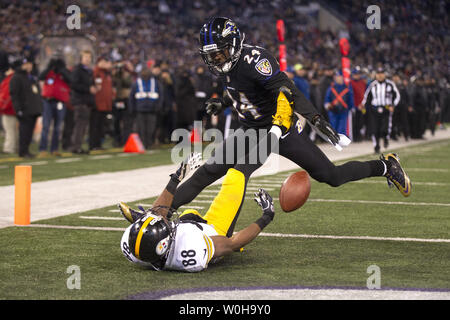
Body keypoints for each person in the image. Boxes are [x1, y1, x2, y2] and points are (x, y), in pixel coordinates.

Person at [170, 16, 411, 223]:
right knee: (209, 172)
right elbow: (244, 88)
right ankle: (160, 212)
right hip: (250, 130)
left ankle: (386, 166)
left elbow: (287, 90)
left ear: (232, 46)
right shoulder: (229, 66)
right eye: (211, 56)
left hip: (278, 129)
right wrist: (223, 101)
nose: (215, 60)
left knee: (332, 176)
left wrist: (315, 118)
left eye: (219, 54)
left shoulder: (255, 60)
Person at [119, 152, 276, 272]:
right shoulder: (190, 250)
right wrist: (266, 216)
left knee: (182, 213)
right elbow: (233, 243)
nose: (164, 217)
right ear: (165, 243)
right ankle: (272, 139)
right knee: (237, 174)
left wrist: (176, 178)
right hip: (215, 230)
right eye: (165, 223)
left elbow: (158, 212)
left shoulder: (132, 247)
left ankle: (144, 219)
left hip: (189, 223)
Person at [9, 57, 43, 158]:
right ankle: (22, 151)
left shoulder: (32, 77)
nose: (29, 66)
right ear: (22, 65)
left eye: (30, 64)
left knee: (29, 132)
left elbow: (37, 93)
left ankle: (26, 150)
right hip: (24, 109)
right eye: (26, 64)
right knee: (24, 132)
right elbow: (14, 94)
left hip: (33, 109)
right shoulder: (17, 77)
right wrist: (18, 109)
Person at [38, 54, 71, 157]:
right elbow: (40, 77)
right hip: (47, 101)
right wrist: (49, 68)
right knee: (46, 126)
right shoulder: (49, 73)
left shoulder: (64, 73)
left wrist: (63, 70)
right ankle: (43, 149)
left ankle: (54, 149)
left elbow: (71, 80)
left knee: (57, 127)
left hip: (60, 102)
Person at [362, 66, 400, 153]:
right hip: (374, 109)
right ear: (376, 75)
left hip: (386, 108)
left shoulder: (390, 84)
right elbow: (367, 96)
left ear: (384, 75)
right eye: (378, 74)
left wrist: (393, 105)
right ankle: (376, 146)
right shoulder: (372, 85)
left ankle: (386, 138)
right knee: (375, 129)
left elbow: (397, 96)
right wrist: (363, 105)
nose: (380, 76)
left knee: (385, 128)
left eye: (381, 74)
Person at [129, 65, 163, 150]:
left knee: (151, 128)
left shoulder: (155, 82)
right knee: (141, 129)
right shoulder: (136, 82)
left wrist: (158, 106)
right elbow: (132, 96)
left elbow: (161, 95)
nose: (145, 73)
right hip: (140, 109)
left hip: (152, 109)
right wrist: (132, 108)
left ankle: (149, 143)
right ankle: (143, 144)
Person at [70, 50, 96, 154]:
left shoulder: (88, 71)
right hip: (80, 101)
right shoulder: (78, 70)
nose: (88, 59)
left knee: (83, 126)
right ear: (81, 58)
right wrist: (88, 89)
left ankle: (78, 146)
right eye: (86, 57)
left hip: (86, 102)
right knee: (80, 126)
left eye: (89, 57)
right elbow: (74, 85)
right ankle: (76, 147)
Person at [90, 56, 114, 150]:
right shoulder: (97, 72)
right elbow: (97, 87)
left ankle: (98, 144)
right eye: (103, 62)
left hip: (105, 104)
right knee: (95, 125)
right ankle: (93, 145)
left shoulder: (106, 73)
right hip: (98, 103)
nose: (105, 64)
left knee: (101, 126)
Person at [324, 70, 355, 135]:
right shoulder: (331, 88)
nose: (338, 78)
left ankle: (341, 141)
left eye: (340, 77)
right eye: (337, 77)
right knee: (333, 127)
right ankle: (334, 141)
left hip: (343, 110)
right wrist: (327, 104)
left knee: (342, 128)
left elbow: (350, 99)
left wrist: (351, 107)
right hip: (333, 110)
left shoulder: (347, 88)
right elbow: (327, 98)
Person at [0, 66, 17, 154]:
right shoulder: (10, 79)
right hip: (10, 109)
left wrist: (3, 106)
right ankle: (11, 147)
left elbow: (7, 95)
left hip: (8, 109)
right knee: (11, 129)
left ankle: (9, 148)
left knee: (9, 129)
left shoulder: (10, 79)